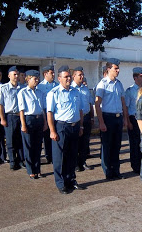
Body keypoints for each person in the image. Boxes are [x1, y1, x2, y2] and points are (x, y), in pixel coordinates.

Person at [47, 65, 85, 194]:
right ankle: (61, 183)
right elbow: (50, 113)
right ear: (59, 78)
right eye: (66, 77)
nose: (68, 79)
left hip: (74, 127)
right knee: (59, 157)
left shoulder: (75, 92)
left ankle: (71, 180)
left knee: (72, 155)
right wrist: (52, 130)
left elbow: (80, 110)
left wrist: (80, 126)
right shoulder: (53, 93)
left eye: (69, 76)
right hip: (61, 127)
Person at [95, 58, 128, 180]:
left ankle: (116, 170)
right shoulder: (102, 85)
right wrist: (101, 122)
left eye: (118, 68)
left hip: (118, 118)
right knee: (107, 146)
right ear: (108, 69)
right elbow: (97, 104)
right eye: (116, 68)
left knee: (116, 145)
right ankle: (108, 171)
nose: (118, 70)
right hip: (107, 117)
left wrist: (125, 118)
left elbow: (123, 102)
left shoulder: (119, 84)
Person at [18, 70, 47, 179]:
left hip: (39, 119)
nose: (37, 80)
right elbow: (21, 110)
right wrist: (23, 124)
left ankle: (38, 169)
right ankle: (31, 170)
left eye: (37, 78)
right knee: (29, 146)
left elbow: (43, 109)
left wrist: (45, 122)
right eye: (35, 78)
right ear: (28, 79)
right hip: (29, 120)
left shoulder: (40, 92)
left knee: (38, 146)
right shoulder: (23, 92)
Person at [0, 66, 25, 170]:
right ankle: (13, 162)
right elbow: (0, 105)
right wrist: (2, 119)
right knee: (10, 140)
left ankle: (21, 160)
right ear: (9, 76)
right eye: (14, 74)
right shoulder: (3, 88)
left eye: (17, 74)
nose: (16, 76)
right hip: (10, 116)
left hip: (21, 116)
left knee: (20, 140)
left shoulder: (22, 88)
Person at [71, 66, 95, 172]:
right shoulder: (71, 88)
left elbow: (90, 103)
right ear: (73, 76)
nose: (82, 77)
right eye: (79, 75)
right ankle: (75, 163)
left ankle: (83, 162)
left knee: (85, 142)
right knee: (76, 142)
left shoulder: (85, 88)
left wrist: (92, 117)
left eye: (82, 75)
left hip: (86, 117)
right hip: (76, 119)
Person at [125, 67, 142, 174]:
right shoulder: (130, 91)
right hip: (134, 119)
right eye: (141, 76)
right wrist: (128, 122)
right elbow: (126, 108)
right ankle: (135, 165)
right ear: (135, 77)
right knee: (134, 143)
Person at [36, 65, 58, 164]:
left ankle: (54, 155)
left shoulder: (57, 85)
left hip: (56, 113)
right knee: (46, 135)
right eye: (51, 73)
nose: (53, 74)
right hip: (45, 112)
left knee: (55, 134)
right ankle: (48, 155)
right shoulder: (39, 86)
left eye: (53, 72)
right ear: (45, 74)